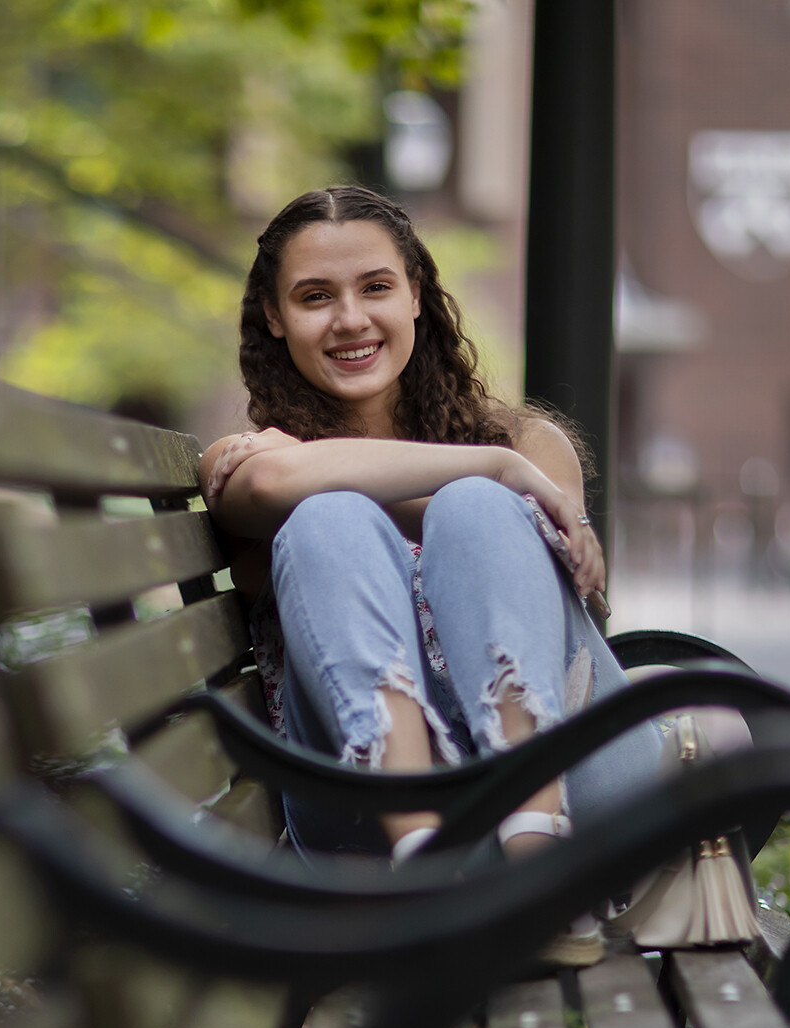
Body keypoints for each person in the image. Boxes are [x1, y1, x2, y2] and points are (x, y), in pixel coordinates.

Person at [200, 186, 661, 963]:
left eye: (376, 287)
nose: (350, 319)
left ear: (417, 293)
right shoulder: (253, 460)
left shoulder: (532, 446)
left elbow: (575, 623)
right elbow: (279, 489)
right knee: (330, 516)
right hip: (367, 837)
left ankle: (538, 856)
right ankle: (422, 855)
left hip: (579, 786)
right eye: (315, 297)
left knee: (477, 510)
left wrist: (495, 474)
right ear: (275, 318)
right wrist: (492, 463)